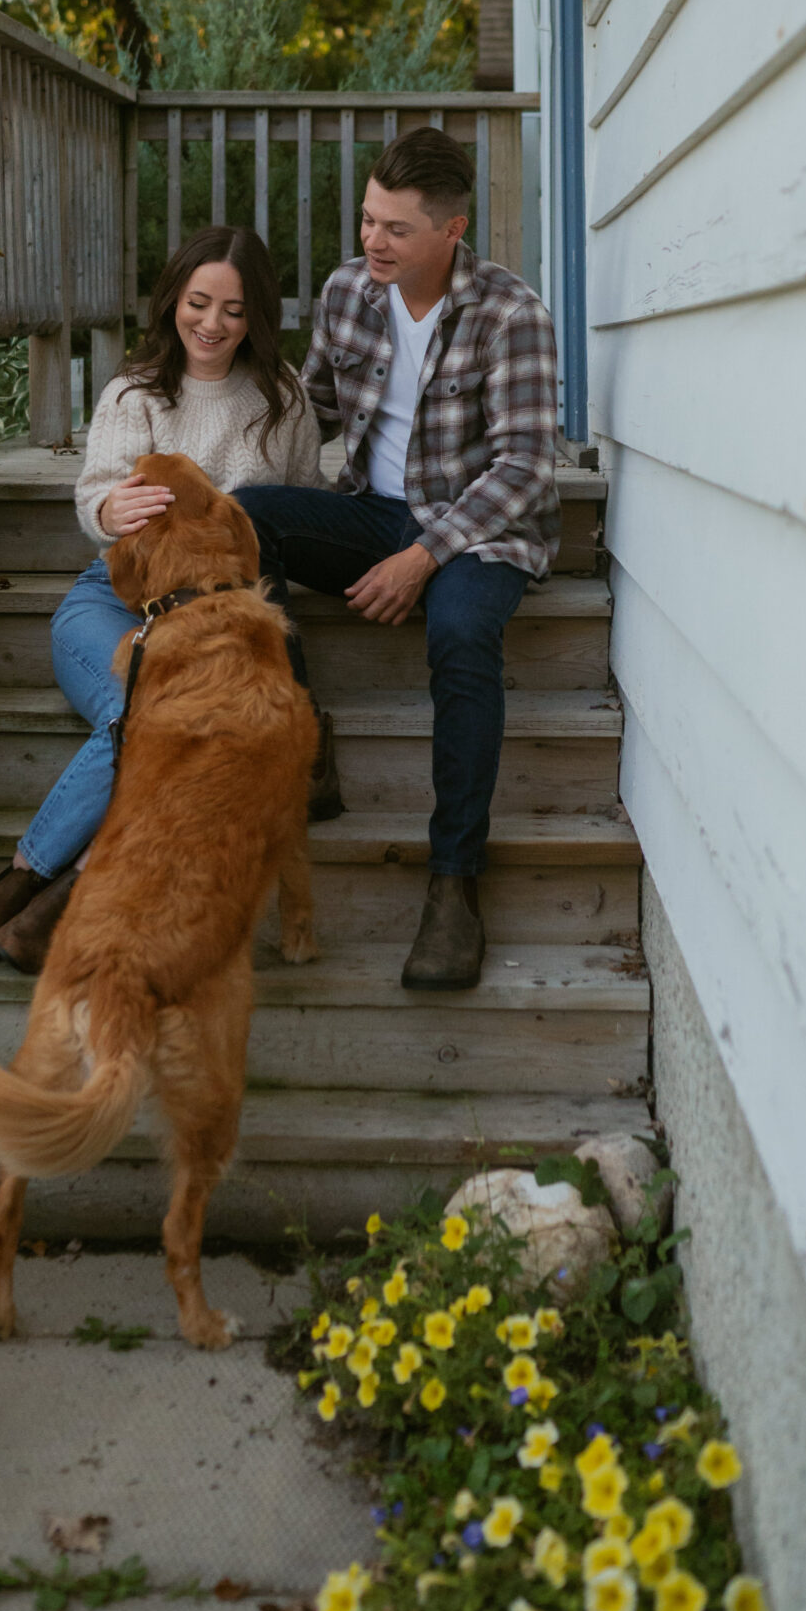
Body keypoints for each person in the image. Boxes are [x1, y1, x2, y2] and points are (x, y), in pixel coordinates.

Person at [0, 225, 329, 975]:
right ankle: (16, 893)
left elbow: (300, 508)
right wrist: (109, 511)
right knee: (139, 715)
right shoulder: (135, 392)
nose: (212, 324)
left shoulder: (283, 400)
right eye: (198, 303)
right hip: (112, 605)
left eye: (234, 310)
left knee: (185, 730)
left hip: (215, 621)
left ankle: (39, 913)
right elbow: (95, 498)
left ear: (257, 318)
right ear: (173, 301)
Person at [233, 127, 559, 993]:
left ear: (450, 232)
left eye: (395, 229)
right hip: (371, 513)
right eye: (367, 221)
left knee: (458, 638)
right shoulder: (351, 291)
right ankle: (305, 744)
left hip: (478, 533)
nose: (372, 242)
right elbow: (316, 409)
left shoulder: (511, 313)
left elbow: (526, 465)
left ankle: (454, 884)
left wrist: (424, 556)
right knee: (241, 519)